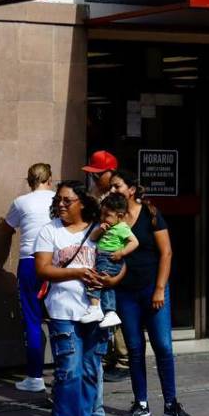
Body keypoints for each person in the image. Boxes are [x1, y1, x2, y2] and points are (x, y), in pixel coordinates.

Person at [34, 180, 118, 416]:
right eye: (58, 200)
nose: (60, 204)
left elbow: (119, 263)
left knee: (90, 371)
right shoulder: (49, 231)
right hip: (62, 312)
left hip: (94, 313)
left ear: (82, 203)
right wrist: (78, 272)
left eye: (67, 200)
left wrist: (110, 279)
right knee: (68, 371)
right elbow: (43, 269)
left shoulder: (99, 230)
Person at [107, 170, 191, 416]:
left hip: (153, 290)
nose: (112, 191)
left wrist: (159, 289)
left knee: (163, 346)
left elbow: (166, 253)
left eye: (117, 186)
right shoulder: (113, 216)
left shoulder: (151, 214)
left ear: (131, 189)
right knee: (134, 348)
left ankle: (171, 404)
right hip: (125, 293)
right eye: (111, 187)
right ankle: (140, 403)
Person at [3, 163, 56, 393]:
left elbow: (7, 227)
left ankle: (35, 377)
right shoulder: (58, 199)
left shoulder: (20, 202)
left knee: (33, 320)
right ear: (50, 179)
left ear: (28, 181)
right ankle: (64, 373)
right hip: (56, 261)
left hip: (29, 262)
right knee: (59, 319)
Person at [83, 150, 130, 382]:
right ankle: (110, 356)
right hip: (100, 255)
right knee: (103, 305)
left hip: (114, 259)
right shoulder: (96, 194)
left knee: (113, 308)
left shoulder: (117, 198)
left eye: (98, 174)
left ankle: (122, 358)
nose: (94, 179)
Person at [81, 193, 138, 328]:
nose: (103, 218)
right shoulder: (104, 226)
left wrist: (121, 252)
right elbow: (92, 239)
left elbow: (135, 242)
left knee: (96, 280)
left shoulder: (122, 228)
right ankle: (110, 313)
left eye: (107, 216)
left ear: (119, 216)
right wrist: (100, 230)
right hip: (101, 258)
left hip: (110, 259)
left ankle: (95, 308)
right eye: (102, 214)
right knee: (106, 286)